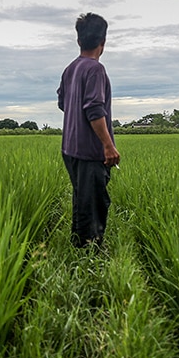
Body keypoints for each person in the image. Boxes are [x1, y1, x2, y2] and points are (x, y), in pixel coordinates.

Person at [57, 13, 120, 248]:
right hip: (90, 151)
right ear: (103, 42)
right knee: (93, 204)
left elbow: (64, 103)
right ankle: (89, 253)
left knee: (82, 200)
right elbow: (94, 108)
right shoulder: (95, 70)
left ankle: (79, 248)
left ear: (79, 40)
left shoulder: (70, 69)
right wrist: (108, 145)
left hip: (70, 149)